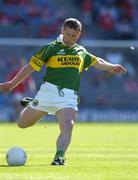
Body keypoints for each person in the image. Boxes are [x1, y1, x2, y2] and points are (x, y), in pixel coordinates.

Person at [0, 18, 127, 166]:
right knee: (22, 124)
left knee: (69, 124)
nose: (69, 38)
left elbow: (97, 61)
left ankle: (59, 158)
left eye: (73, 36)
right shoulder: (51, 48)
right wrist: (11, 84)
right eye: (67, 34)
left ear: (79, 34)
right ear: (62, 31)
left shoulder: (81, 51)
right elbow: (30, 67)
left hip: (68, 97)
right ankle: (32, 104)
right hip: (47, 93)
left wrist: (112, 67)